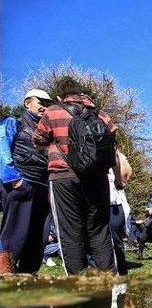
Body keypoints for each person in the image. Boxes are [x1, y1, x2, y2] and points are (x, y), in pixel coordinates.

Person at [33, 78, 119, 275]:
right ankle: (109, 285)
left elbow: (38, 140)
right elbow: (112, 143)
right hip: (97, 178)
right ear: (81, 94)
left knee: (70, 233)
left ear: (59, 96)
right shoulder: (100, 114)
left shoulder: (53, 111)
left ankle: (78, 287)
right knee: (99, 231)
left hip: (64, 177)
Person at [0, 89, 52, 274]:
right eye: (41, 102)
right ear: (27, 102)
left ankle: (29, 273)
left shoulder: (48, 130)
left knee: (39, 234)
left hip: (44, 187)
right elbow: (2, 147)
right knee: (15, 231)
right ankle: (5, 272)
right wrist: (14, 179)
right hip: (22, 183)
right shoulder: (15, 122)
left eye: (48, 104)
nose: (45, 107)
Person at [108, 151, 133, 275]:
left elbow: (127, 174)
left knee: (115, 241)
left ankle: (121, 275)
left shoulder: (117, 154)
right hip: (103, 203)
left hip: (113, 203)